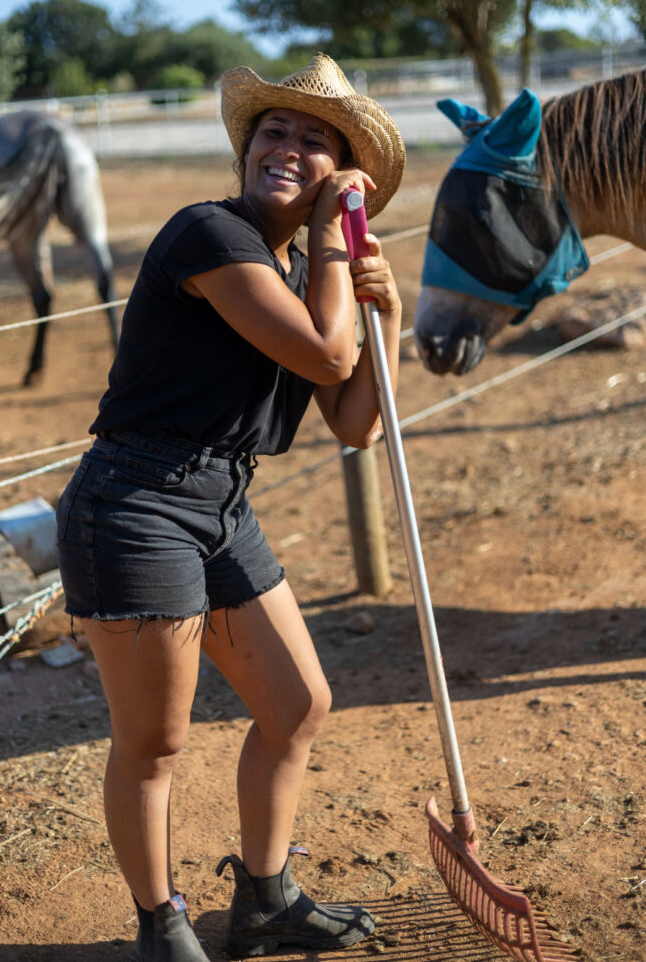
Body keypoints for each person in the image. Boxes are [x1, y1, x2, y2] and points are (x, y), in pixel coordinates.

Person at [56, 52, 406, 962]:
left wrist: (388, 318)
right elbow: (327, 361)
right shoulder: (207, 235)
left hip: (221, 502)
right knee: (155, 742)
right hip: (134, 500)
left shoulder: (298, 275)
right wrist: (339, 245)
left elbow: (358, 422)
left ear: (341, 168)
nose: (284, 146)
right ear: (246, 149)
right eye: (272, 130)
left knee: (295, 705)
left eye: (313, 138)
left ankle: (265, 896)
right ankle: (160, 924)